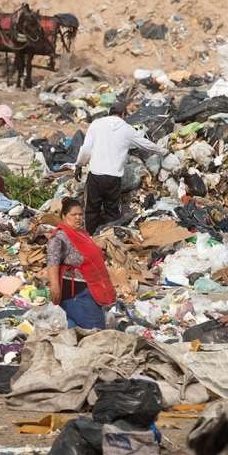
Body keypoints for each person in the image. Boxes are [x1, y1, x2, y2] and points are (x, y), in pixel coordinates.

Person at [75, 102, 167, 234]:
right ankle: (109, 237)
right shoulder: (127, 129)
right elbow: (145, 144)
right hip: (113, 179)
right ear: (124, 114)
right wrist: (163, 151)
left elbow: (85, 149)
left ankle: (90, 237)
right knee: (112, 212)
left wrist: (79, 165)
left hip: (95, 176)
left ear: (109, 112)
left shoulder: (96, 124)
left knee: (91, 210)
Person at [46, 197, 116, 329]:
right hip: (76, 293)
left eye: (80, 214)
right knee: (95, 331)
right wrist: (55, 287)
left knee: (81, 328)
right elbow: (52, 261)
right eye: (74, 215)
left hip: (90, 289)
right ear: (64, 216)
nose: (78, 218)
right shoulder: (59, 237)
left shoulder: (81, 234)